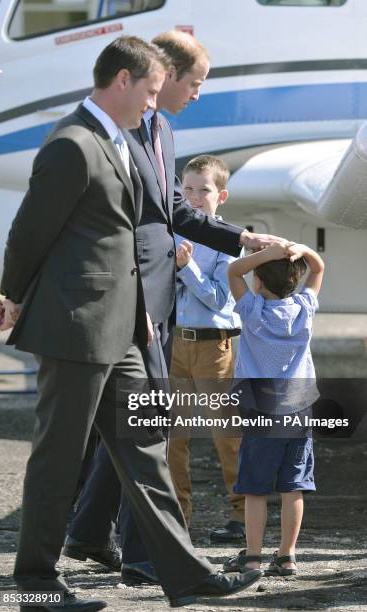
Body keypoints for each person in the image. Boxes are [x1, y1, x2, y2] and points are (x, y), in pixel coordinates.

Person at [0, 36, 262, 611]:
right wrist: (11, 296)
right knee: (59, 457)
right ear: (122, 80)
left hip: (122, 332)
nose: (153, 102)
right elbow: (28, 232)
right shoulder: (73, 143)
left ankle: (186, 576)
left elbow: (141, 232)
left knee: (145, 447)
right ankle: (37, 584)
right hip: (76, 327)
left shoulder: (118, 139)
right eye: (147, 90)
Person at [63, 29, 280, 584]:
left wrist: (241, 239)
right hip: (133, 304)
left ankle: (92, 532)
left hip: (155, 306)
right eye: (198, 82)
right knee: (147, 427)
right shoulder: (123, 132)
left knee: (136, 425)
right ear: (170, 75)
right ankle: (133, 554)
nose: (200, 94)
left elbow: (176, 212)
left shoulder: (161, 131)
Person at [223, 240, 324, 576]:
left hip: (259, 411)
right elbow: (318, 267)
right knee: (293, 486)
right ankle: (287, 556)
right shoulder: (305, 309)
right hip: (298, 409)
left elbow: (232, 270)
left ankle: (252, 557)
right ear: (294, 280)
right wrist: (300, 250)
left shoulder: (252, 311)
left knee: (254, 489)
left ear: (258, 281)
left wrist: (263, 254)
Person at [167, 154, 245, 541]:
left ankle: (242, 515)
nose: (194, 197)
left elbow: (219, 298)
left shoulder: (230, 241)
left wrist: (186, 268)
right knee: (172, 436)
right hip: (174, 344)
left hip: (214, 348)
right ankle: (178, 516)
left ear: (222, 195)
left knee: (226, 435)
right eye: (188, 189)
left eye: (205, 190)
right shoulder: (169, 233)